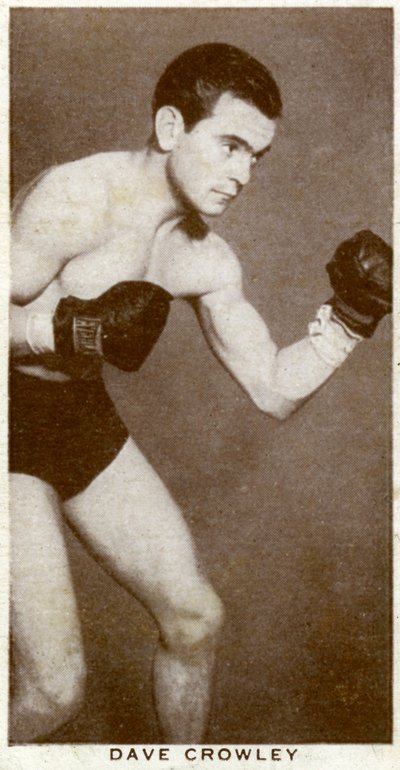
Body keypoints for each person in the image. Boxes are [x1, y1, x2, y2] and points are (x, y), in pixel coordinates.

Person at [9, 43, 391, 744]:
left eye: (256, 157)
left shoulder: (202, 258)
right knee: (54, 689)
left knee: (195, 620)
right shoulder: (75, 198)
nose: (243, 174)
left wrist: (349, 322)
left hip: (73, 417)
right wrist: (61, 327)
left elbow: (273, 389)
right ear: (170, 129)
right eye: (231, 146)